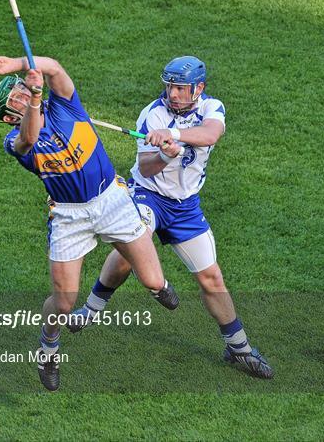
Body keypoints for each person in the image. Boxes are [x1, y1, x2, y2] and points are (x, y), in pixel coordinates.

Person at [0, 54, 179, 391]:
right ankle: (47, 350)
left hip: (112, 201)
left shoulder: (67, 108)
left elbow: (54, 68)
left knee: (154, 281)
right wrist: (33, 98)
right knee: (63, 301)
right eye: (14, 98)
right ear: (7, 117)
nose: (21, 93)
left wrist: (18, 65)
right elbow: (28, 138)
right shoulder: (15, 141)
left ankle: (155, 286)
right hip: (69, 217)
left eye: (19, 89)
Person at [70, 56, 274, 379]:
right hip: (147, 194)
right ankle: (91, 309)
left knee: (212, 279)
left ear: (199, 88)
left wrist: (175, 136)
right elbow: (148, 167)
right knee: (130, 245)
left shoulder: (211, 108)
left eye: (180, 87)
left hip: (186, 207)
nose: (173, 93)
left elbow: (210, 135)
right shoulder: (152, 115)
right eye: (170, 86)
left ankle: (239, 348)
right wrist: (164, 153)